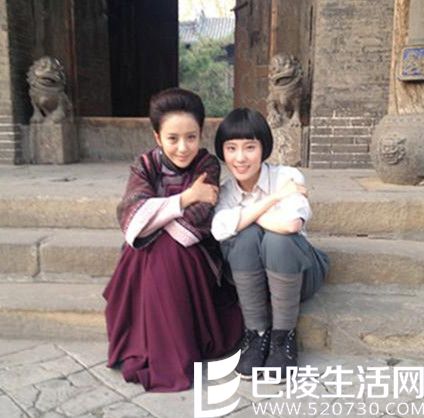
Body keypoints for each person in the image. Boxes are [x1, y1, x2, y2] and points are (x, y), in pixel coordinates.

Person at [103, 88, 243, 392]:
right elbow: (132, 217)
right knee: (148, 250)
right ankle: (153, 348)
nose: (183, 148)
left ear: (201, 134)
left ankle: (165, 351)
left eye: (191, 137)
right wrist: (186, 197)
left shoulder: (207, 165)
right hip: (145, 253)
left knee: (164, 249)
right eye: (173, 138)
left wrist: (154, 214)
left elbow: (194, 223)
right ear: (157, 136)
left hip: (194, 253)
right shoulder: (145, 165)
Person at [211, 108, 329, 380]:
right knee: (245, 239)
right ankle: (256, 334)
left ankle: (282, 337)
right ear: (223, 152)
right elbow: (218, 229)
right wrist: (273, 200)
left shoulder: (287, 177)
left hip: (298, 274)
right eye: (231, 148)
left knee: (277, 240)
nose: (240, 158)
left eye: (249, 147)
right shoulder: (227, 191)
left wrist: (244, 217)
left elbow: (291, 224)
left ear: (263, 148)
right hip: (252, 281)